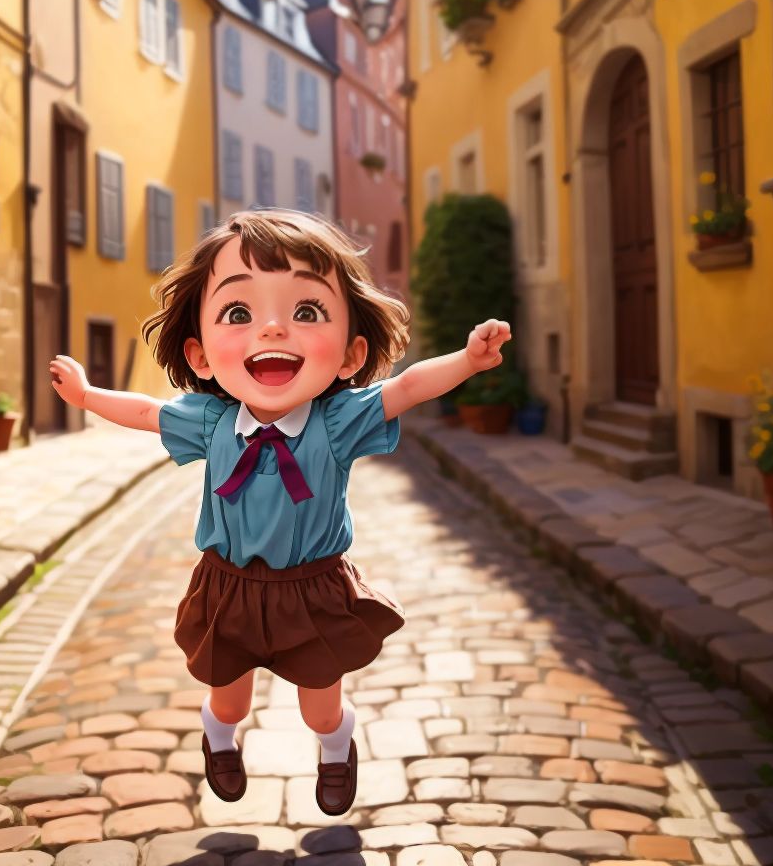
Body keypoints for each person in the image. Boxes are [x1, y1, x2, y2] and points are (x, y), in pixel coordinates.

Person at [50, 208, 510, 815]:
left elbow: (407, 387)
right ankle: (219, 740)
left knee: (319, 706)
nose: (271, 330)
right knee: (229, 702)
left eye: (307, 311)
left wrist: (467, 361)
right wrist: (85, 396)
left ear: (349, 355)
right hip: (229, 586)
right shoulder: (211, 420)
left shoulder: (338, 423)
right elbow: (143, 412)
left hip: (312, 588)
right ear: (201, 356)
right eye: (239, 313)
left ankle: (337, 747)